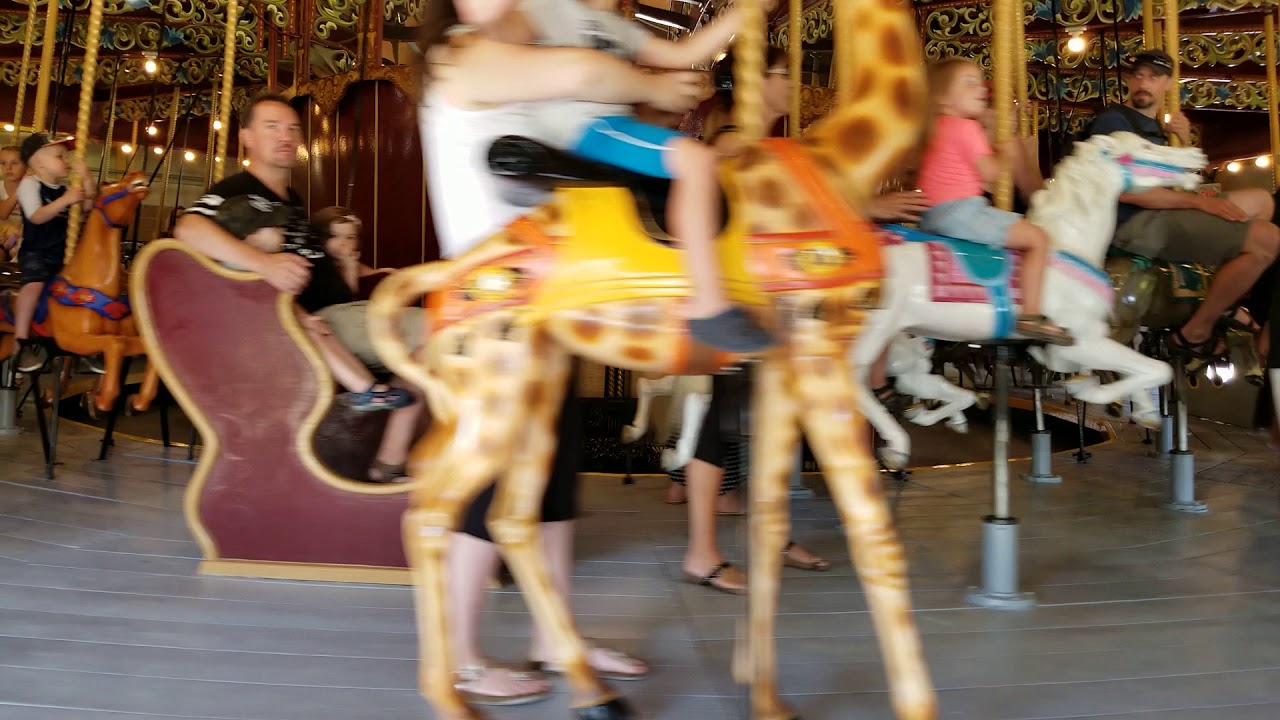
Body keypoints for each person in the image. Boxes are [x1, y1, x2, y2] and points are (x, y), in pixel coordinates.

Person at [419, 0, 704, 704]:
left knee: (553, 479)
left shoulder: (520, 75)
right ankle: (459, 655)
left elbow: (582, 103)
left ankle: (555, 635)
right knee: (489, 487)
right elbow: (581, 68)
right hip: (489, 307)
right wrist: (654, 85)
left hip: (543, 301)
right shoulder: (463, 57)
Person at [501, 0, 775, 353]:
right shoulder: (547, 9)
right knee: (695, 160)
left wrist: (746, 11)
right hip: (580, 129)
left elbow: (684, 53)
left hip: (608, 126)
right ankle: (708, 304)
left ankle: (688, 275)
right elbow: (508, 31)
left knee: (706, 172)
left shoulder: (613, 25)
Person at [1084, 49, 1280, 358]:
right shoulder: (1115, 121)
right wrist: (1202, 204)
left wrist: (1184, 141)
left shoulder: (1159, 132)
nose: (1143, 83)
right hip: (1135, 222)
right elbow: (1126, 191)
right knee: (1268, 239)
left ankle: (1223, 296)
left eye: (1153, 76)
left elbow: (1187, 185)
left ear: (1168, 83)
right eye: (1138, 75)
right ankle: (1196, 331)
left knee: (1261, 200)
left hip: (1163, 211)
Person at [916, 58, 1072, 346]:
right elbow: (988, 172)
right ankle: (1032, 314)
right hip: (962, 211)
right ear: (942, 97)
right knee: (1038, 239)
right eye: (969, 83)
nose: (981, 89)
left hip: (932, 215)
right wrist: (1006, 153)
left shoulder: (937, 128)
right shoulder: (966, 128)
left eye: (980, 81)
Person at [11, 134, 96, 373]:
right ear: (38, 163)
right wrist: (66, 200)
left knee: (84, 291)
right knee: (34, 284)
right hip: (37, 252)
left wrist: (87, 179)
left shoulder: (66, 189)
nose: (65, 160)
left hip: (63, 255)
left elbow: (87, 207)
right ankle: (21, 341)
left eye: (65, 156)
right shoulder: (30, 184)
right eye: (59, 156)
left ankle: (83, 342)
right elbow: (36, 216)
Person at [0, 145, 24, 263]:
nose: (8, 167)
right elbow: (3, 213)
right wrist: (21, 189)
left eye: (14, 163)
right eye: (3, 163)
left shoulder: (34, 189)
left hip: (22, 238)